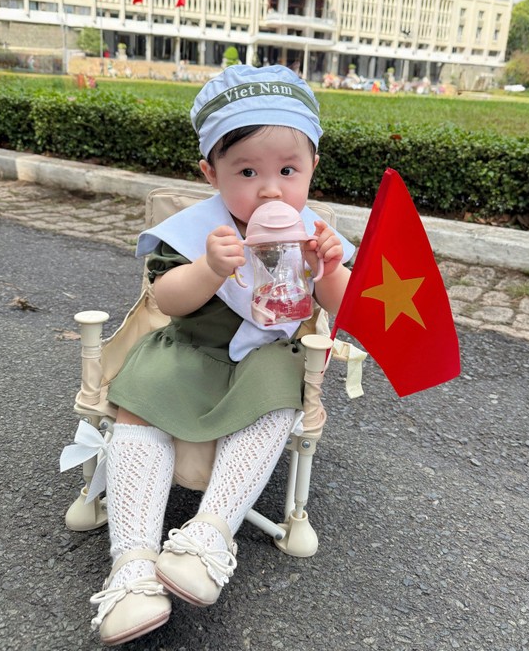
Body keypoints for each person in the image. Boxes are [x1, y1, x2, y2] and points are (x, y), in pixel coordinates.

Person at [89, 64, 354, 645]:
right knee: (143, 395)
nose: (270, 189)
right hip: (194, 344)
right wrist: (209, 268)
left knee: (279, 392)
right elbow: (165, 299)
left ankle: (209, 534)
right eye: (247, 171)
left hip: (267, 352)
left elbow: (346, 307)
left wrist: (329, 270)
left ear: (313, 167)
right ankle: (132, 564)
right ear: (211, 172)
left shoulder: (314, 233)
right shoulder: (197, 230)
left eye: (288, 170)